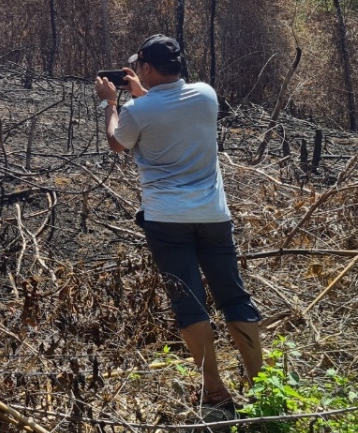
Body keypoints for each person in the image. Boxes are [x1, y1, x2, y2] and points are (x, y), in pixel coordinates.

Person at [94, 34, 262, 409]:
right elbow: (168, 112)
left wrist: (111, 103)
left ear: (147, 68)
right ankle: (262, 387)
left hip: (166, 219)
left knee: (190, 303)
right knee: (235, 297)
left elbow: (117, 142)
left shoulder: (139, 111)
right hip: (214, 216)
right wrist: (142, 91)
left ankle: (215, 391)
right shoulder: (206, 95)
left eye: (140, 66)